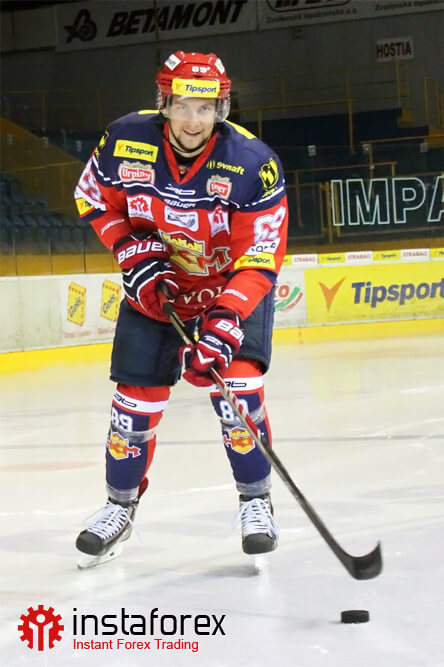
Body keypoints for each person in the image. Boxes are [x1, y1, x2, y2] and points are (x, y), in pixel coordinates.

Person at [74, 50, 288, 566]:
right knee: (134, 404)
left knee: (237, 393)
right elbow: (92, 198)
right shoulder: (124, 139)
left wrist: (225, 319)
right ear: (164, 103)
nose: (195, 120)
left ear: (221, 108)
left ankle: (256, 502)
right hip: (155, 290)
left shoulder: (253, 163)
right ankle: (119, 508)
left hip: (226, 291)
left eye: (206, 108)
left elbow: (260, 256)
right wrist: (129, 248)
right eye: (184, 106)